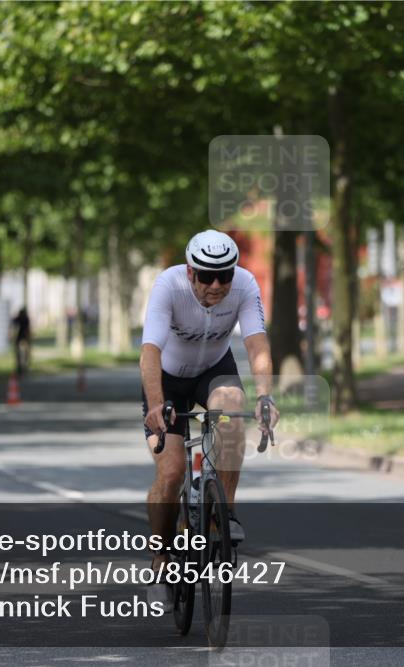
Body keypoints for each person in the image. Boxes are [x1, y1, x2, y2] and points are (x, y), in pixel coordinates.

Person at [140, 229, 279, 604]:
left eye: (225, 275)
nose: (216, 284)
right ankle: (160, 558)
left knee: (232, 403)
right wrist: (156, 404)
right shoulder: (168, 286)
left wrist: (265, 396)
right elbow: (150, 350)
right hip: (167, 380)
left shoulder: (245, 285)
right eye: (206, 275)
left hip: (213, 371)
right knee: (170, 473)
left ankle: (224, 514)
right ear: (190, 272)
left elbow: (256, 342)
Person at [11, 306, 31, 375]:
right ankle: (22, 367)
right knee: (24, 354)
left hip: (21, 339)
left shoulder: (20, 319)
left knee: (21, 354)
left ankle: (21, 367)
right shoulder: (25, 319)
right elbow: (27, 330)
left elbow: (13, 323)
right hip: (23, 339)